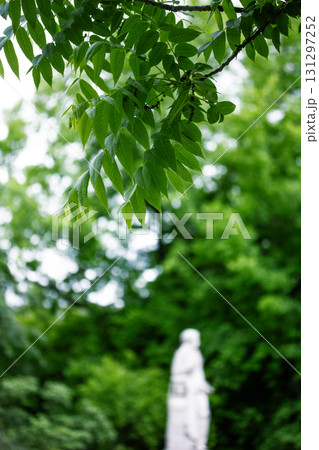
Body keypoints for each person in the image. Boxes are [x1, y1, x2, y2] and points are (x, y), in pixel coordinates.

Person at [166, 329, 214, 450]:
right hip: (189, 394)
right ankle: (192, 443)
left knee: (203, 415)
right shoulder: (182, 352)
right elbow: (176, 373)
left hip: (198, 391)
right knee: (190, 418)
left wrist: (204, 385)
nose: (198, 341)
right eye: (196, 338)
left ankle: (200, 443)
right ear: (189, 340)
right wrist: (189, 366)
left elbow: (199, 373)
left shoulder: (196, 353)